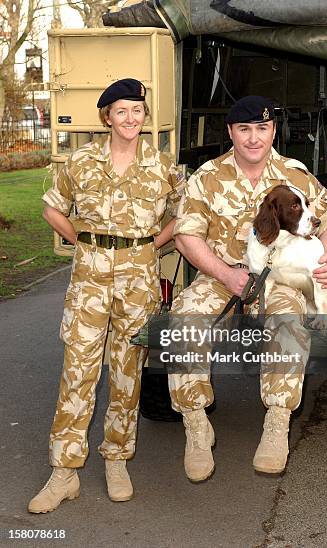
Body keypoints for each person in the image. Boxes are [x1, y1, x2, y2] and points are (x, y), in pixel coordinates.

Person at [167, 95, 327, 482]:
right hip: (221, 276)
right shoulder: (207, 177)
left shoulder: (294, 174)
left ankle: (277, 425)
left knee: (288, 319)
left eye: (261, 129)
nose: (253, 138)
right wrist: (227, 275)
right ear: (231, 132)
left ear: (273, 131)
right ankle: (196, 427)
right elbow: (186, 238)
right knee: (184, 320)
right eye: (244, 129)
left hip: (280, 278)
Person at [28, 78, 185, 513]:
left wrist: (155, 245)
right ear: (107, 117)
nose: (131, 118)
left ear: (144, 116)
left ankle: (117, 459)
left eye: (138, 110)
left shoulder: (161, 165)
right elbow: (52, 208)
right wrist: (79, 240)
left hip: (138, 279)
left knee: (127, 373)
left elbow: (184, 213)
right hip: (89, 281)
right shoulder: (80, 161)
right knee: (77, 371)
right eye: (122, 111)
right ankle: (63, 473)